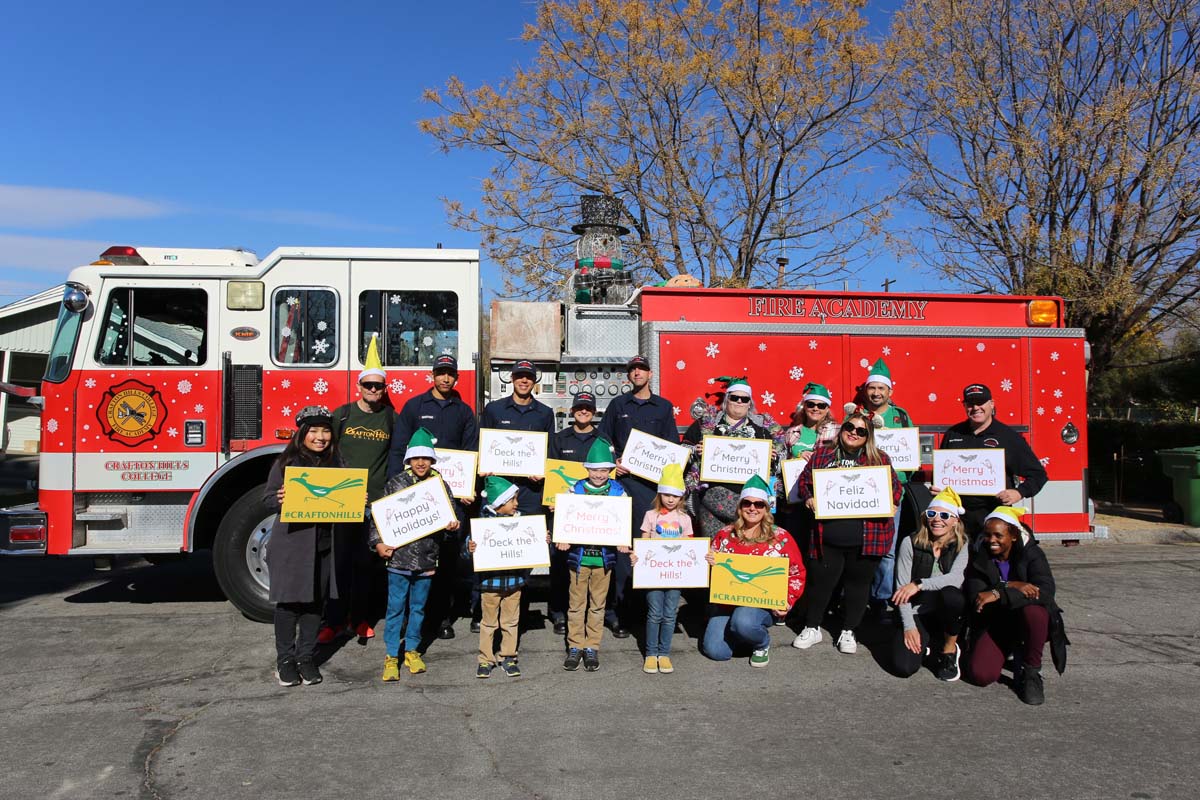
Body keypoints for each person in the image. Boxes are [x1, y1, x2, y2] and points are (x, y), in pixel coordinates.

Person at [794, 408, 903, 655]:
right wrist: (810, 498)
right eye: (849, 428)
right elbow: (803, 483)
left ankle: (849, 630)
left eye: (861, 431)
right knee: (820, 585)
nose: (854, 433)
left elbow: (896, 489)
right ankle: (812, 627)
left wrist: (893, 501)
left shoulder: (880, 459)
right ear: (842, 430)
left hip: (867, 537)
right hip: (827, 537)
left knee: (858, 585)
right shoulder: (823, 455)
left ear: (868, 437)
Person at [389, 353, 479, 640]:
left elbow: (471, 453)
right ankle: (408, 619)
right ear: (432, 375)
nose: (445, 378)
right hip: (416, 500)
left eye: (450, 374)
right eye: (440, 373)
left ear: (456, 378)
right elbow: (399, 448)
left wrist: (469, 488)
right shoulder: (414, 406)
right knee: (410, 563)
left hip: (451, 501)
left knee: (447, 561)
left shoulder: (464, 412)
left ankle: (441, 618)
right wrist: (397, 489)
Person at [264, 405, 347, 687]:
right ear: (302, 434)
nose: (320, 437)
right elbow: (266, 499)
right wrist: (280, 497)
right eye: (314, 431)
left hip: (323, 547)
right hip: (291, 545)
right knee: (288, 604)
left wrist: (356, 502)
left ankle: (306, 658)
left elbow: (344, 500)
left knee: (314, 606)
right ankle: (285, 662)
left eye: (325, 431)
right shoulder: (287, 462)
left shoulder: (337, 464)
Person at [370, 428, 461, 680]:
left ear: (432, 460)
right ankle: (391, 655)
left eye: (426, 458)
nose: (421, 463)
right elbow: (378, 520)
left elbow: (450, 520)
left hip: (426, 559)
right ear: (408, 460)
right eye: (416, 458)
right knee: (395, 607)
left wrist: (453, 527)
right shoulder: (396, 483)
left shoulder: (440, 486)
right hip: (399, 559)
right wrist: (378, 544)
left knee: (418, 607)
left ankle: (411, 649)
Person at [598, 355, 679, 638]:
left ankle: (647, 611)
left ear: (650, 373)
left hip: (653, 492)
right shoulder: (618, 405)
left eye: (641, 369)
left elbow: (673, 449)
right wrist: (613, 463)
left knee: (649, 548)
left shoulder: (664, 407)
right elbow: (603, 440)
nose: (636, 373)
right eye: (632, 369)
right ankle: (617, 612)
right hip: (625, 487)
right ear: (628, 376)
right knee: (622, 549)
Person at [319, 334, 392, 643]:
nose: (373, 390)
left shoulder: (391, 417)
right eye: (368, 385)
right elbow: (324, 452)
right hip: (343, 501)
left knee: (366, 566)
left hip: (375, 504)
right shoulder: (343, 414)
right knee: (338, 564)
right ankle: (332, 622)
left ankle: (360, 619)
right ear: (359, 387)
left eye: (378, 386)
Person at [963, 506, 1064, 705]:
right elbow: (977, 594)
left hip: (1028, 622)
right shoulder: (978, 555)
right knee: (981, 675)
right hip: (996, 622)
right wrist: (1012, 585)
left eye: (999, 535)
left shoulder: (1032, 553)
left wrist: (997, 593)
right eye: (988, 534)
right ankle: (1008, 651)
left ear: (1014, 536)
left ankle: (1031, 671)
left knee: (1035, 611)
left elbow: (1044, 591)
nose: (992, 540)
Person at [701, 475, 805, 667]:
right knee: (716, 651)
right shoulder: (725, 534)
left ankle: (760, 642)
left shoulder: (780, 537)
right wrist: (709, 563)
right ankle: (742, 634)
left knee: (744, 621)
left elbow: (796, 573)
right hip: (727, 602)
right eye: (747, 503)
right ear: (740, 507)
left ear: (766, 509)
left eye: (759, 505)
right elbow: (711, 574)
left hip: (761, 604)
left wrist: (788, 601)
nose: (752, 508)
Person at [557, 439, 629, 672]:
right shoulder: (575, 489)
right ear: (586, 469)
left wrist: (622, 540)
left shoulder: (618, 492)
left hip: (602, 560)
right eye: (595, 469)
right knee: (576, 605)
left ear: (610, 470)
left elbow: (623, 521)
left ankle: (592, 646)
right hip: (578, 558)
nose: (599, 474)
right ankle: (575, 646)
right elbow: (565, 517)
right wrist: (563, 536)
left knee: (597, 605)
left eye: (604, 470)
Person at [682, 377, 784, 538]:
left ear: (750, 403)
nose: (739, 402)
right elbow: (682, 453)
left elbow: (782, 461)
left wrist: (774, 457)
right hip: (712, 498)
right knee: (716, 549)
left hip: (751, 502)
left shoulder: (763, 429)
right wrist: (695, 450)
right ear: (726, 399)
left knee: (747, 548)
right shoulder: (705, 424)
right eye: (734, 397)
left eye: (744, 399)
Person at [942, 383, 1048, 537]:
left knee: (991, 561)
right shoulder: (953, 434)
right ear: (965, 406)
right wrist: (939, 487)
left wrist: (1019, 492)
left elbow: (1038, 474)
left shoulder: (1008, 437)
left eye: (981, 402)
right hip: (958, 517)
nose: (976, 408)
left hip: (994, 514)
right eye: (971, 404)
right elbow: (943, 471)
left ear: (991, 404)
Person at [858, 359, 917, 625]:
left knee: (887, 550)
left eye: (881, 388)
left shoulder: (901, 417)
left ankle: (881, 600)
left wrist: (902, 482)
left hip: (892, 494)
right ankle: (858, 598)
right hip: (861, 491)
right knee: (859, 547)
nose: (876, 393)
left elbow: (910, 454)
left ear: (890, 392)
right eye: (872, 388)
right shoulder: (857, 416)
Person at [890, 486, 969, 681]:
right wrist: (909, 626)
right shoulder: (910, 542)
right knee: (904, 667)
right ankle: (930, 642)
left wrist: (919, 584)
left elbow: (956, 579)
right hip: (918, 611)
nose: (937, 519)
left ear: (955, 521)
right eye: (932, 513)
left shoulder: (962, 544)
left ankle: (949, 648)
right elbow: (901, 589)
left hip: (946, 611)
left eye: (945, 515)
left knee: (952, 595)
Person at [628, 463, 693, 674]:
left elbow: (689, 546)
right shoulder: (650, 516)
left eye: (675, 496)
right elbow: (643, 541)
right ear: (660, 495)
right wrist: (636, 555)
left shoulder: (685, 519)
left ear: (681, 497)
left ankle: (664, 654)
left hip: (675, 575)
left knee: (670, 614)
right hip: (654, 574)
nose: (670, 499)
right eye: (666, 494)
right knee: (655, 613)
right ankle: (650, 654)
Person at [545, 391, 600, 635]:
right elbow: (552, 474)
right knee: (560, 562)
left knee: (593, 563)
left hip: (594, 515)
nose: (583, 411)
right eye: (579, 407)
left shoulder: (603, 441)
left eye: (588, 408)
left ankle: (593, 612)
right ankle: (558, 612)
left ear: (594, 412)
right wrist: (552, 499)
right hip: (563, 512)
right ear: (571, 411)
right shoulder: (558, 439)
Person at [468, 476, 531, 679]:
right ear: (500, 503)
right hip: (489, 584)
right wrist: (469, 547)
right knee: (488, 623)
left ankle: (508, 656)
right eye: (512, 500)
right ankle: (485, 659)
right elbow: (467, 548)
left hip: (514, 583)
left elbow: (532, 548)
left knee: (511, 622)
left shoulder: (521, 522)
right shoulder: (482, 525)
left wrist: (541, 540)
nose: (516, 504)